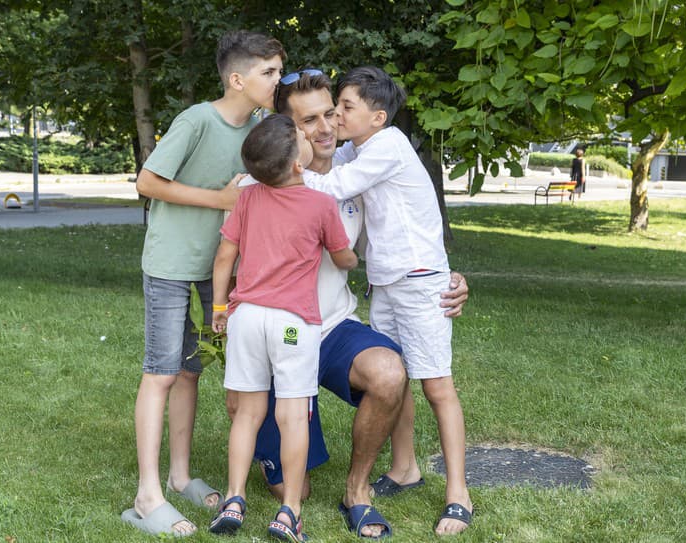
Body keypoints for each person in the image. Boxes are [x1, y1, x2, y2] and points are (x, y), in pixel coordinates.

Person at [244, 70, 469, 539]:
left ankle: (359, 489)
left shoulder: (358, 172)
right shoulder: (254, 186)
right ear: (286, 129)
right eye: (311, 120)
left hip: (329, 328)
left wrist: (445, 276)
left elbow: (404, 221)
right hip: (277, 339)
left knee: (391, 371)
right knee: (295, 488)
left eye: (334, 112)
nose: (327, 127)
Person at [120, 30, 285, 538]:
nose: (278, 80)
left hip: (221, 269)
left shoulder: (260, 128)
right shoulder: (196, 119)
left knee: (192, 372)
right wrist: (217, 201)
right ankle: (148, 496)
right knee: (162, 372)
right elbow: (147, 182)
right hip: (171, 263)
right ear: (238, 79)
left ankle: (180, 475)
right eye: (269, 73)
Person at [208, 114, 357, 541]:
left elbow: (224, 257)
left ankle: (234, 498)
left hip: (246, 316)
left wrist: (220, 306)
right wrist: (351, 260)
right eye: (301, 136)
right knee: (293, 417)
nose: (309, 135)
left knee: (247, 415)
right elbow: (342, 255)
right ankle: (289, 512)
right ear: (297, 165)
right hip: (294, 322)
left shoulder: (249, 197)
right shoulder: (320, 203)